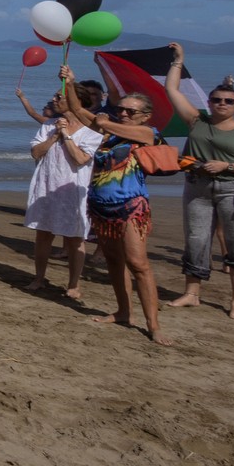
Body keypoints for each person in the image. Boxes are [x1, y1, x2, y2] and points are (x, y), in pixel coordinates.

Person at [63, 69, 170, 346]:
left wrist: (102, 120)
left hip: (130, 206)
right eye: (121, 109)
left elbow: (105, 124)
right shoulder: (106, 130)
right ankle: (123, 312)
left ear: (145, 116)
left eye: (130, 112)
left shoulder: (147, 132)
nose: (123, 114)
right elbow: (76, 108)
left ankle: (153, 325)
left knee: (138, 263)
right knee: (114, 261)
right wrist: (71, 81)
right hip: (100, 204)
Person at [165, 45, 234, 319]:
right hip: (197, 188)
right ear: (209, 102)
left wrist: (228, 165)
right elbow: (173, 91)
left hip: (233, 190)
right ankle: (192, 294)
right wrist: (178, 62)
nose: (222, 104)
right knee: (196, 240)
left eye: (228, 101)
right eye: (217, 100)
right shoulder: (197, 121)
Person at [22, 95, 100, 300]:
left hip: (73, 190)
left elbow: (81, 158)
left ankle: (74, 284)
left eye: (59, 97)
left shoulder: (91, 130)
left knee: (75, 238)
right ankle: (39, 277)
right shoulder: (48, 125)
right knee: (43, 234)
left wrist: (66, 134)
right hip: (47, 187)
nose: (54, 99)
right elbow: (36, 152)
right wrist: (54, 135)